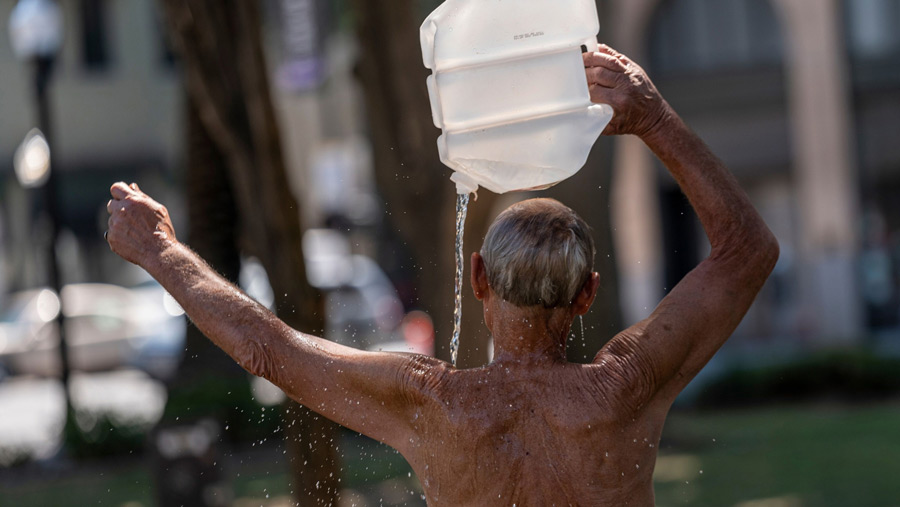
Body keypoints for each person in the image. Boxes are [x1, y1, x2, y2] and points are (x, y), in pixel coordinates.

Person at [106, 45, 778, 505]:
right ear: (587, 294)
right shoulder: (629, 386)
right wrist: (652, 116)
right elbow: (748, 250)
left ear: (478, 278)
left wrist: (161, 249)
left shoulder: (433, 404)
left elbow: (267, 347)